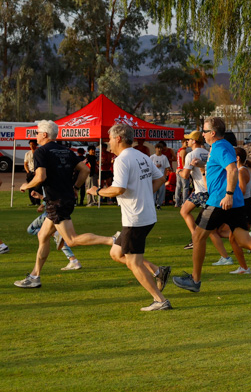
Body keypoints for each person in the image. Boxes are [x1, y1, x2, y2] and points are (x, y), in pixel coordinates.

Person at [173, 117, 251, 292]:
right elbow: (222, 167)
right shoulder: (222, 146)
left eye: (205, 131)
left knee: (198, 237)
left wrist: (228, 194)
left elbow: (232, 169)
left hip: (221, 200)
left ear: (213, 133)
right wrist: (203, 164)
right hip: (233, 202)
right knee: (243, 239)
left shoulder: (220, 147)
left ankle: (195, 280)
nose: (203, 135)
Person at [14, 120, 118, 289]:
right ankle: (35, 276)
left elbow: (40, 177)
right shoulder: (65, 150)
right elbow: (84, 170)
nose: (36, 135)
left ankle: (112, 240)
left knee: (72, 239)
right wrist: (76, 187)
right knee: (42, 236)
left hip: (56, 202)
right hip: (64, 199)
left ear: (45, 135)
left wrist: (26, 185)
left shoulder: (41, 152)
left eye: (38, 133)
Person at [84, 123, 173, 310]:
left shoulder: (122, 160)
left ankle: (160, 300)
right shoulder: (142, 156)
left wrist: (98, 191)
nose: (108, 142)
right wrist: (146, 194)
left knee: (134, 262)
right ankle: (159, 271)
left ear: (118, 138)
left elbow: (119, 189)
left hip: (136, 218)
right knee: (116, 253)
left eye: (109, 138)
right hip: (145, 214)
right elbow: (160, 178)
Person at [178, 131, 233, 264]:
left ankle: (225, 257)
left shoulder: (191, 154)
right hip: (203, 190)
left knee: (211, 229)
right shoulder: (207, 152)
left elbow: (185, 175)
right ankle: (194, 236)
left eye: (189, 140)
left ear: (194, 141)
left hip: (202, 191)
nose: (187, 142)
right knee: (184, 211)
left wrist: (178, 171)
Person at [223, 147, 251, 275]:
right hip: (245, 206)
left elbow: (242, 190)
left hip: (245, 206)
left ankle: (244, 267)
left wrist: (229, 196)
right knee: (236, 239)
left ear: (237, 158)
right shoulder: (241, 170)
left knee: (236, 239)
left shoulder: (241, 171)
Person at [150, 141, 171, 209]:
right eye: (158, 148)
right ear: (155, 148)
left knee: (161, 191)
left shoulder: (164, 157)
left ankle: (159, 204)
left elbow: (166, 167)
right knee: (154, 191)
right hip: (154, 177)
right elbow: (149, 167)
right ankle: (152, 204)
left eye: (160, 148)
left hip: (161, 176)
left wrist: (165, 176)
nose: (159, 149)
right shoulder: (152, 157)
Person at [175, 142, 191, 206]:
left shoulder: (179, 150)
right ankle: (184, 202)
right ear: (182, 142)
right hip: (182, 169)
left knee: (178, 186)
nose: (187, 143)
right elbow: (183, 161)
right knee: (185, 187)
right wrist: (185, 170)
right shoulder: (183, 151)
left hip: (178, 169)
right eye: (186, 142)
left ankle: (177, 202)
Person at [25, 139, 40, 206]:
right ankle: (32, 202)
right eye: (30, 145)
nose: (32, 146)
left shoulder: (39, 152)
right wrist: (28, 172)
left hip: (37, 172)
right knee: (30, 187)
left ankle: (37, 201)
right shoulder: (27, 154)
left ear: (36, 145)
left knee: (37, 187)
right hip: (31, 172)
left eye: (33, 144)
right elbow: (25, 164)